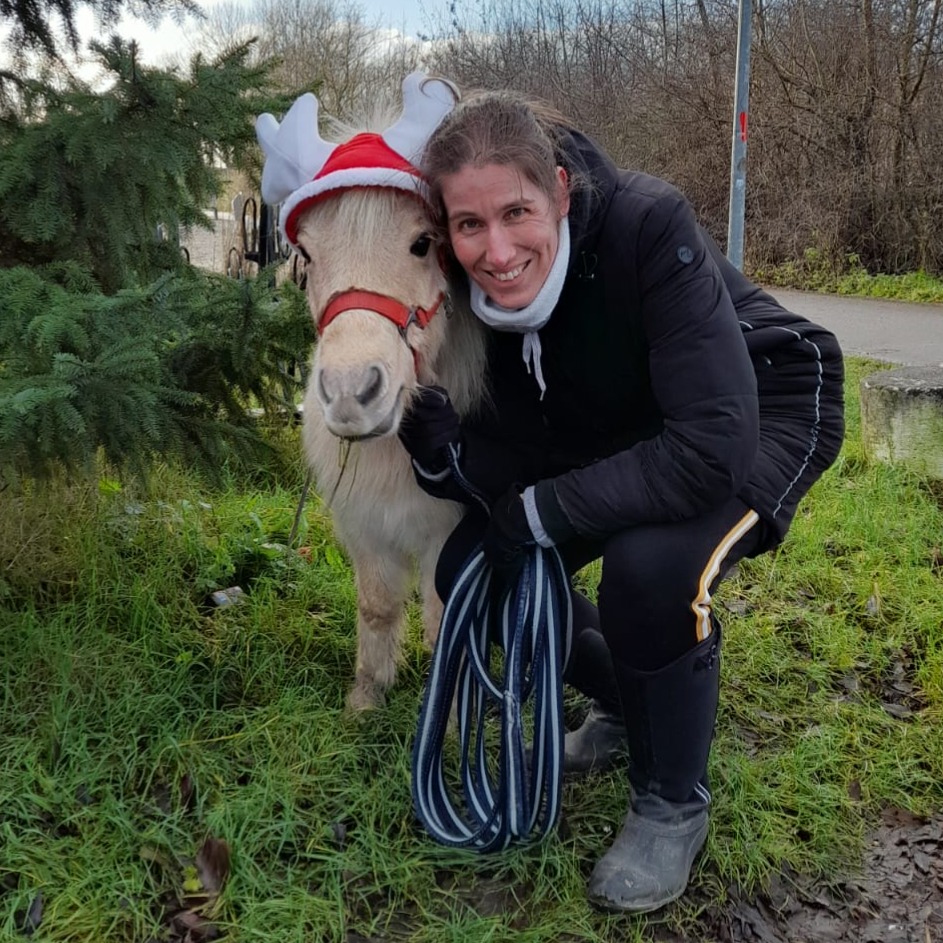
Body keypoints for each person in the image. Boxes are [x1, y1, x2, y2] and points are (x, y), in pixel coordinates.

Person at [396, 86, 845, 914]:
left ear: (559, 191)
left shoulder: (645, 223)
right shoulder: (475, 297)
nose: (495, 250)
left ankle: (670, 798)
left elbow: (710, 442)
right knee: (471, 566)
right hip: (627, 419)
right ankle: (623, 707)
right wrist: (443, 458)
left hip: (762, 404)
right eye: (467, 225)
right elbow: (523, 448)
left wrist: (541, 512)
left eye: (517, 212)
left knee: (646, 570)